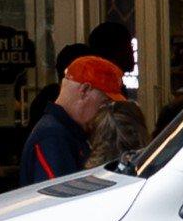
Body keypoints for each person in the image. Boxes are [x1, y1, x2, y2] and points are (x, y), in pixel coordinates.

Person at [23, 51, 126, 185]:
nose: (105, 111)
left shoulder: (67, 133)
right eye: (104, 102)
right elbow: (57, 199)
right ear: (84, 90)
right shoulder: (52, 137)